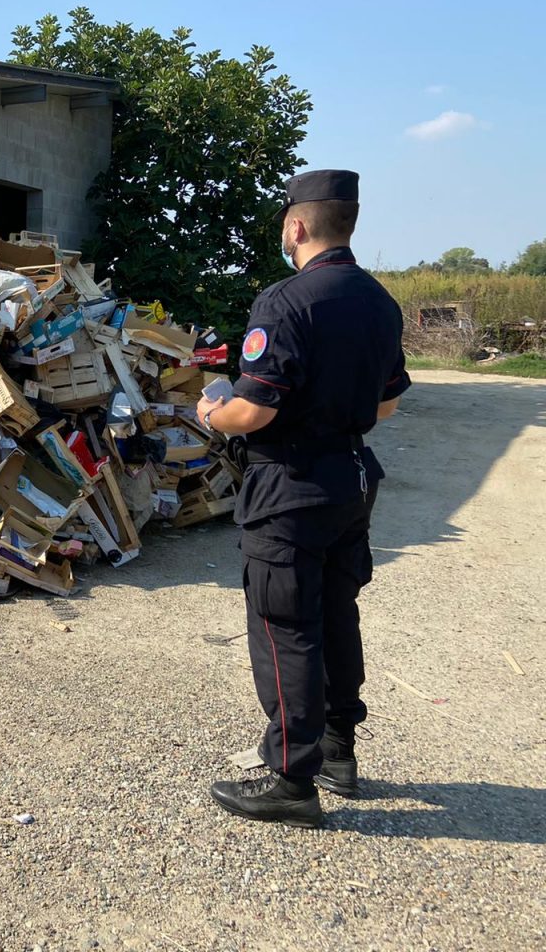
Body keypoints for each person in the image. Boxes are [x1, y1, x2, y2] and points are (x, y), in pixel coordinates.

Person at [194, 169, 411, 828]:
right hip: (351, 477)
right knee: (336, 612)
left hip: (289, 485)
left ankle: (292, 777)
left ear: (296, 225)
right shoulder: (379, 301)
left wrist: (213, 409)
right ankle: (339, 751)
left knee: (284, 623)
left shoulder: (286, 302)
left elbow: (254, 411)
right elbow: (389, 402)